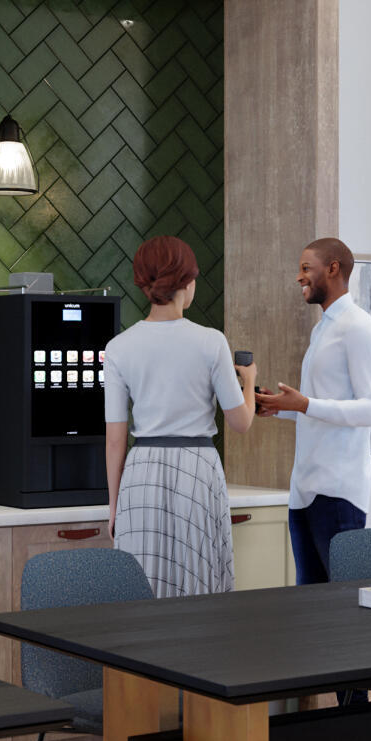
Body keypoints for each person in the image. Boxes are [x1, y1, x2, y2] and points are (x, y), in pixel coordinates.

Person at [101, 235, 257, 597]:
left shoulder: (118, 348)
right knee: (198, 584)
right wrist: (249, 382)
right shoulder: (211, 342)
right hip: (197, 468)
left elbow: (114, 440)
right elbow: (241, 422)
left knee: (142, 584)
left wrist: (114, 507)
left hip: (141, 471)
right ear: (186, 282)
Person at [256, 237, 371, 583]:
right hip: (304, 492)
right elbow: (319, 403)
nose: (299, 276)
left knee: (342, 601)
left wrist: (304, 403)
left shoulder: (359, 327)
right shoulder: (322, 330)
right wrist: (280, 407)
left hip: (338, 492)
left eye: (305, 268)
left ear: (333, 269)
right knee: (308, 603)